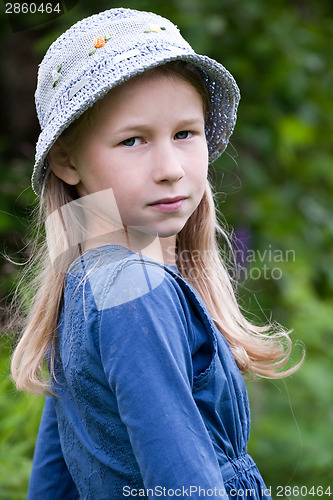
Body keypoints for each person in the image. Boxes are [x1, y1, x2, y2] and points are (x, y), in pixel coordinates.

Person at [10, 7, 302, 499]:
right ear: (66, 160)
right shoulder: (134, 290)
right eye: (133, 140)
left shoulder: (87, 279)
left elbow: (52, 482)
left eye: (185, 133)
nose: (170, 168)